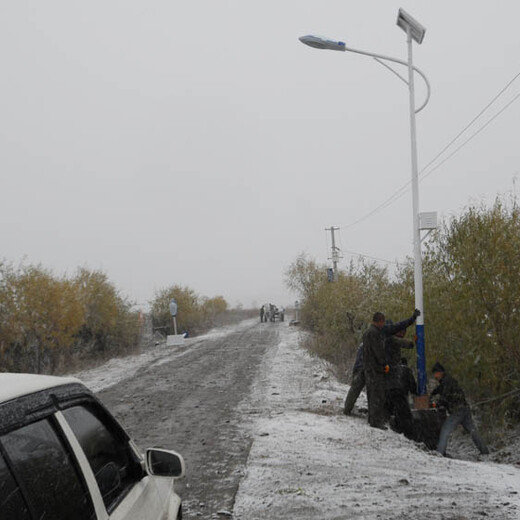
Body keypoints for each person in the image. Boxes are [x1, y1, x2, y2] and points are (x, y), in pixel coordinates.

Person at [363, 309, 420, 429]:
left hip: (371, 369)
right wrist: (384, 364)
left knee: (374, 395)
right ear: (380, 322)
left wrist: (412, 319)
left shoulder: (372, 332)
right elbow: (378, 351)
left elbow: (398, 328)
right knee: (378, 395)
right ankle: (376, 421)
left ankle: (375, 419)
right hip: (378, 370)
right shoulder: (379, 334)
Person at [430, 362, 489, 457]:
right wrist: (433, 393)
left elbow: (445, 396)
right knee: (472, 431)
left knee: (445, 429)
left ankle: (439, 453)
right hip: (465, 409)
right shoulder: (447, 380)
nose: (435, 376)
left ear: (440, 372)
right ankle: (485, 452)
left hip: (458, 410)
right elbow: (439, 389)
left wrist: (436, 404)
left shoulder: (447, 382)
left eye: (435, 373)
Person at [384, 327, 415, 439]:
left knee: (389, 410)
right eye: (401, 332)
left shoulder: (383, 341)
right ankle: (408, 435)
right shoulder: (392, 339)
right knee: (404, 413)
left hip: (387, 385)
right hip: (395, 387)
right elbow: (413, 387)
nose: (402, 335)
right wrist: (413, 342)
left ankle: (392, 430)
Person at [344, 343, 365, 415]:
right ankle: (347, 409)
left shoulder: (363, 345)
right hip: (363, 370)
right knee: (355, 390)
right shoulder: (370, 345)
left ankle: (347, 409)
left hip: (359, 369)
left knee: (354, 390)